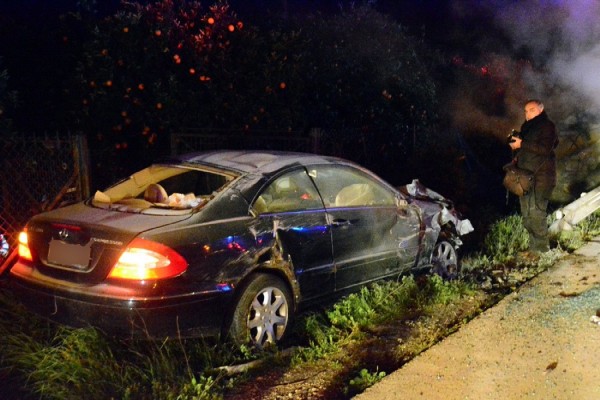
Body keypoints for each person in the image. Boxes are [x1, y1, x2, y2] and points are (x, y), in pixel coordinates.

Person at [509, 99, 558, 254]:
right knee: (527, 215)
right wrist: (515, 145)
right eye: (525, 110)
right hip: (525, 178)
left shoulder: (547, 126)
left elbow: (544, 149)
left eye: (531, 110)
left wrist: (522, 144)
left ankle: (543, 251)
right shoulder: (526, 127)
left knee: (536, 213)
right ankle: (533, 248)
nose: (527, 113)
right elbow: (526, 151)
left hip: (541, 178)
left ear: (540, 109)